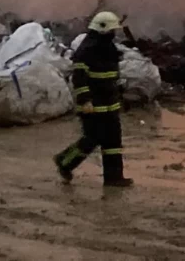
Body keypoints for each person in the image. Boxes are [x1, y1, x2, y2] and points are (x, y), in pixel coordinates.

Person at [54, 11, 134, 187]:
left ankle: (114, 178)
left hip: (110, 103)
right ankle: (64, 161)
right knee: (92, 138)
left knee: (113, 141)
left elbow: (113, 75)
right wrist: (85, 100)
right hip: (93, 104)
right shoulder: (86, 50)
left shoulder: (109, 48)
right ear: (102, 29)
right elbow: (79, 78)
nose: (115, 34)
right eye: (112, 30)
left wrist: (121, 95)